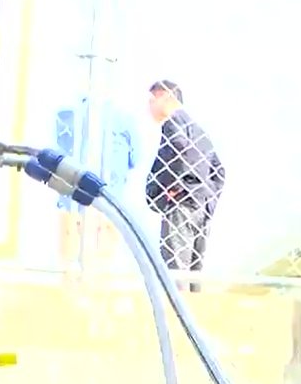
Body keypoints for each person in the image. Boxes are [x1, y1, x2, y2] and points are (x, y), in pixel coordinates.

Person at [144, 80, 226, 290]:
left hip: (181, 203)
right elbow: (219, 171)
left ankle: (176, 307)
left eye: (153, 100)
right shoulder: (198, 130)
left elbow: (178, 146)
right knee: (193, 273)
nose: (149, 106)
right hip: (201, 205)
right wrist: (208, 199)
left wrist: (171, 188)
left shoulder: (173, 122)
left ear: (166, 97)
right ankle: (190, 307)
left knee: (176, 270)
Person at [53, 96, 139, 275]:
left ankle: (71, 284)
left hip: (72, 198)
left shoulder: (66, 115)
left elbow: (58, 152)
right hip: (108, 199)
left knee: (69, 262)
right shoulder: (123, 119)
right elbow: (134, 159)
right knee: (103, 263)